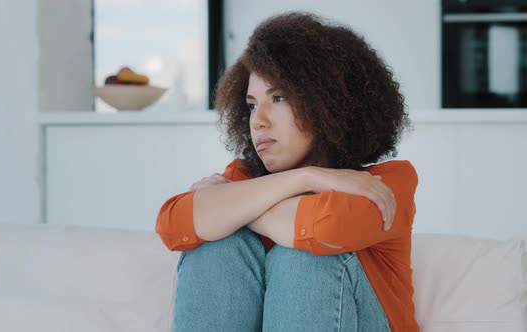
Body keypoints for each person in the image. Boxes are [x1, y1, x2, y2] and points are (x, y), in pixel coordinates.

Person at [156, 11, 419, 332]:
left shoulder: (383, 183)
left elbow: (325, 228)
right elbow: (173, 224)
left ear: (329, 103)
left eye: (278, 98)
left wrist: (228, 206)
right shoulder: (243, 175)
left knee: (303, 256)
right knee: (214, 246)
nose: (258, 120)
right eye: (252, 104)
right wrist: (305, 177)